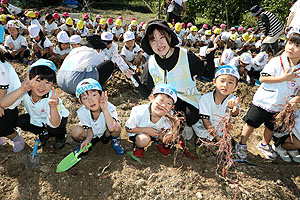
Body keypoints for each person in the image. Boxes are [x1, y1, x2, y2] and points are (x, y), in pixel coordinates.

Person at [124, 19, 205, 140]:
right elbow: (146, 92)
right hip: (165, 103)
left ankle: (184, 125)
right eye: (153, 40)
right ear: (149, 44)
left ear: (169, 37)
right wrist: (133, 77)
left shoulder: (186, 55)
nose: (159, 44)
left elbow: (205, 73)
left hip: (188, 99)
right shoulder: (150, 63)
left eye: (162, 37)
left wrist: (209, 55)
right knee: (162, 114)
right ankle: (174, 129)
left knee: (191, 116)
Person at [235, 27, 300, 160]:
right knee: (251, 123)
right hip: (264, 101)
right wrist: (283, 78)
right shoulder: (276, 61)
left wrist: (296, 99)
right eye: (289, 43)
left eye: (297, 45)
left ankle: (264, 144)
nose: (291, 48)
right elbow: (262, 78)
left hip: (281, 105)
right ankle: (241, 144)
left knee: (271, 126)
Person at [0, 59, 69, 150]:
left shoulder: (53, 100)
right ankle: (43, 133)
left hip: (55, 119)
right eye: (38, 80)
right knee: (21, 121)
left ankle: (60, 136)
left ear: (53, 85)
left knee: (54, 129)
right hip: (37, 118)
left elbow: (54, 124)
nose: (42, 86)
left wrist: (53, 107)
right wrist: (22, 89)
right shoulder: (25, 92)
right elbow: (2, 103)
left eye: (47, 82)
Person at [192, 65, 240, 153]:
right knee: (207, 145)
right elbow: (205, 121)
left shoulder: (233, 100)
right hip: (205, 129)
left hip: (221, 130)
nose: (225, 85)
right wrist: (218, 139)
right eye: (222, 81)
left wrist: (234, 109)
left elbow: (235, 111)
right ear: (214, 82)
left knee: (231, 146)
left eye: (230, 82)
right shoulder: (205, 99)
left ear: (236, 86)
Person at [71, 78, 125, 155]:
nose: (90, 100)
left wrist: (105, 109)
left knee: (117, 127)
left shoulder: (109, 107)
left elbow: (112, 128)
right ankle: (85, 144)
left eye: (93, 95)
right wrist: (88, 140)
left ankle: (115, 140)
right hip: (93, 134)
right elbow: (89, 128)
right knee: (76, 132)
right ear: (81, 101)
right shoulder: (82, 112)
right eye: (85, 98)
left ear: (101, 94)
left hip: (107, 133)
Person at [126, 84, 178, 159]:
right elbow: (128, 128)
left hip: (157, 134)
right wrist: (146, 130)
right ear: (152, 98)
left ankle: (159, 143)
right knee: (143, 140)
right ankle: (138, 148)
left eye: (168, 103)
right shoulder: (139, 111)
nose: (163, 105)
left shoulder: (170, 116)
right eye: (161, 100)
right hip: (140, 133)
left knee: (170, 136)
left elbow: (172, 131)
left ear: (172, 107)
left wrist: (174, 127)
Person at [0, 50, 24, 152]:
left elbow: (3, 88)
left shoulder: (1, 65)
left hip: (8, 102)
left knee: (2, 123)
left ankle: (15, 136)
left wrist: (0, 105)